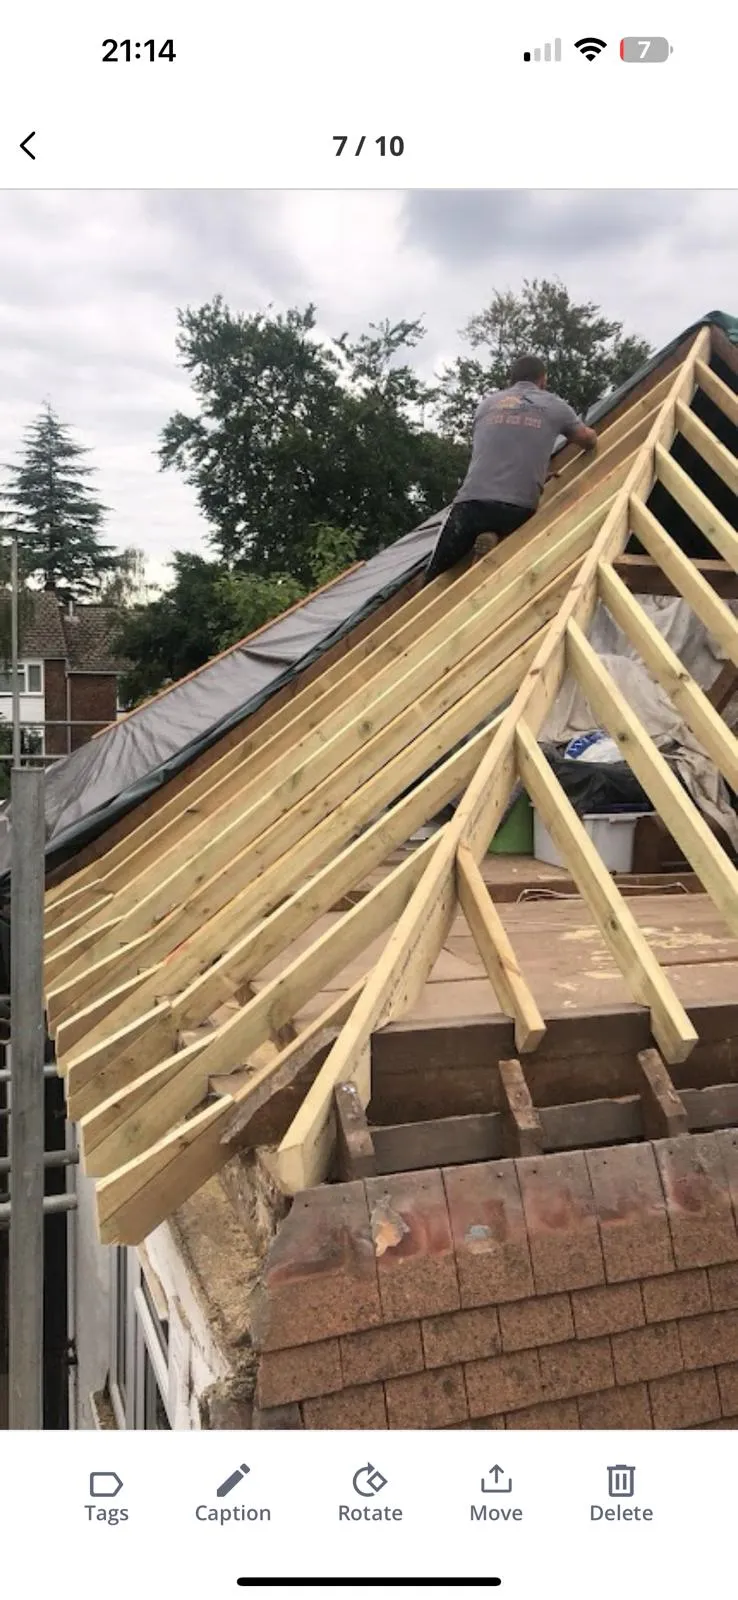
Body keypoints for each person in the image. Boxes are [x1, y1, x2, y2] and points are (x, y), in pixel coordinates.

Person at [423, 355, 598, 585]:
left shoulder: (487, 404)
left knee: (435, 576)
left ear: (511, 379)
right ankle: (496, 536)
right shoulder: (554, 405)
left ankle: (484, 538)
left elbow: (497, 445)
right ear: (543, 380)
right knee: (514, 552)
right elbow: (588, 440)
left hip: (471, 505)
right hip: (517, 508)